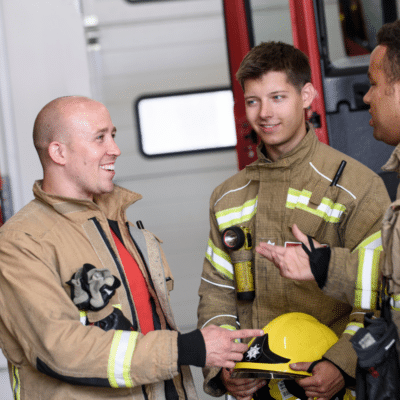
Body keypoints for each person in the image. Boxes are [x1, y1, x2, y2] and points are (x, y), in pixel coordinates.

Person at [0, 96, 263, 400]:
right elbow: (60, 350)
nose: (115, 149)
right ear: (58, 152)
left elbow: (147, 329)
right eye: (100, 138)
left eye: (113, 135)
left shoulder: (118, 224)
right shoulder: (20, 243)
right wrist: (188, 348)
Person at [196, 41, 391, 400]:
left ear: (307, 95)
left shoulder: (357, 188)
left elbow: (379, 296)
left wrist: (341, 364)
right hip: (257, 390)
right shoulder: (228, 196)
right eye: (253, 101)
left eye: (277, 98)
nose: (264, 113)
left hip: (334, 390)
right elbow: (217, 294)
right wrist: (222, 366)